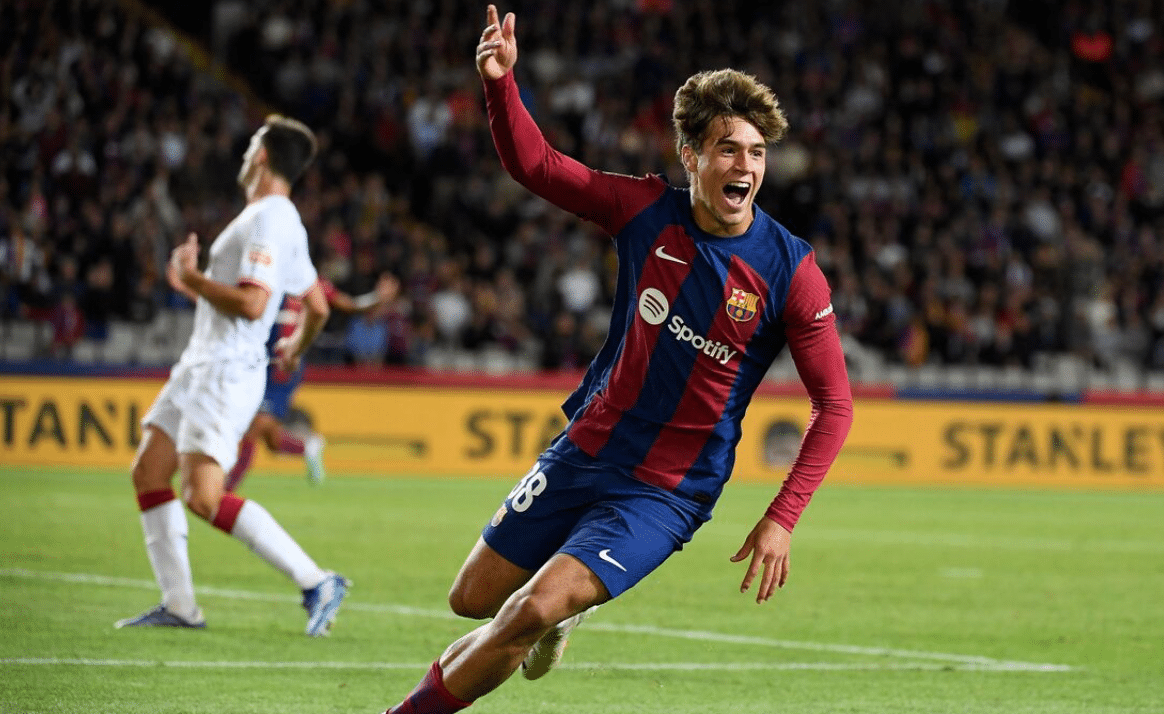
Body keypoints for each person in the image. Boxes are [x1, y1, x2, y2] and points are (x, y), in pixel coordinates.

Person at [379, 6, 854, 712]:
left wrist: (783, 515)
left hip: (666, 490)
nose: (745, 166)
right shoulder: (643, 212)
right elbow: (536, 166)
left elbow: (835, 404)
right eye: (728, 149)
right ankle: (562, 612)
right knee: (473, 601)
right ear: (691, 156)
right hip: (584, 450)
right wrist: (502, 84)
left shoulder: (791, 270)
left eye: (756, 153)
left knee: (529, 610)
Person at [116, 114, 349, 636]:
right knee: (149, 472)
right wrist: (293, 346)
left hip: (223, 372)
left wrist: (195, 278)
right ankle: (179, 606)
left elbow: (252, 303)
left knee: (203, 496)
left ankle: (316, 581)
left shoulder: (270, 218)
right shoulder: (276, 220)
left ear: (263, 156)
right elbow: (316, 305)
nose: (244, 155)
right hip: (200, 364)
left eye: (250, 147)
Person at [222, 271, 400, 492]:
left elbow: (349, 305)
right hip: (258, 364)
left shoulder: (310, 283)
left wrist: (377, 298)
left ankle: (225, 490)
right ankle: (307, 447)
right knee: (272, 441)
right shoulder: (264, 279)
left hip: (285, 365)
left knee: (255, 427)